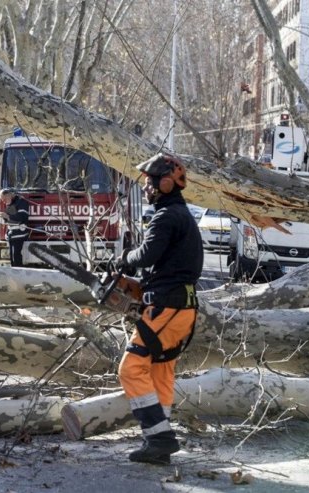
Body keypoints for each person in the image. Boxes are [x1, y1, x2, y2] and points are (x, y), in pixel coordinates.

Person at [116, 153, 203, 465]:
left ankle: (159, 437)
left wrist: (125, 257)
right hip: (182, 308)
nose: (146, 188)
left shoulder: (167, 217)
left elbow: (148, 254)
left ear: (166, 183)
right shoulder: (181, 215)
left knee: (129, 368)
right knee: (159, 370)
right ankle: (158, 441)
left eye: (150, 182)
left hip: (169, 307)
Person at [0, 188, 29, 267]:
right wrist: (4, 217)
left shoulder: (21, 202)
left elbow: (23, 217)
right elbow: (10, 220)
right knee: (12, 258)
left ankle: (18, 276)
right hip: (12, 235)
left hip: (19, 234)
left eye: (4, 199)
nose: (3, 202)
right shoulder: (10, 204)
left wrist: (7, 216)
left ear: (9, 195)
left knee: (16, 257)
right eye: (2, 200)